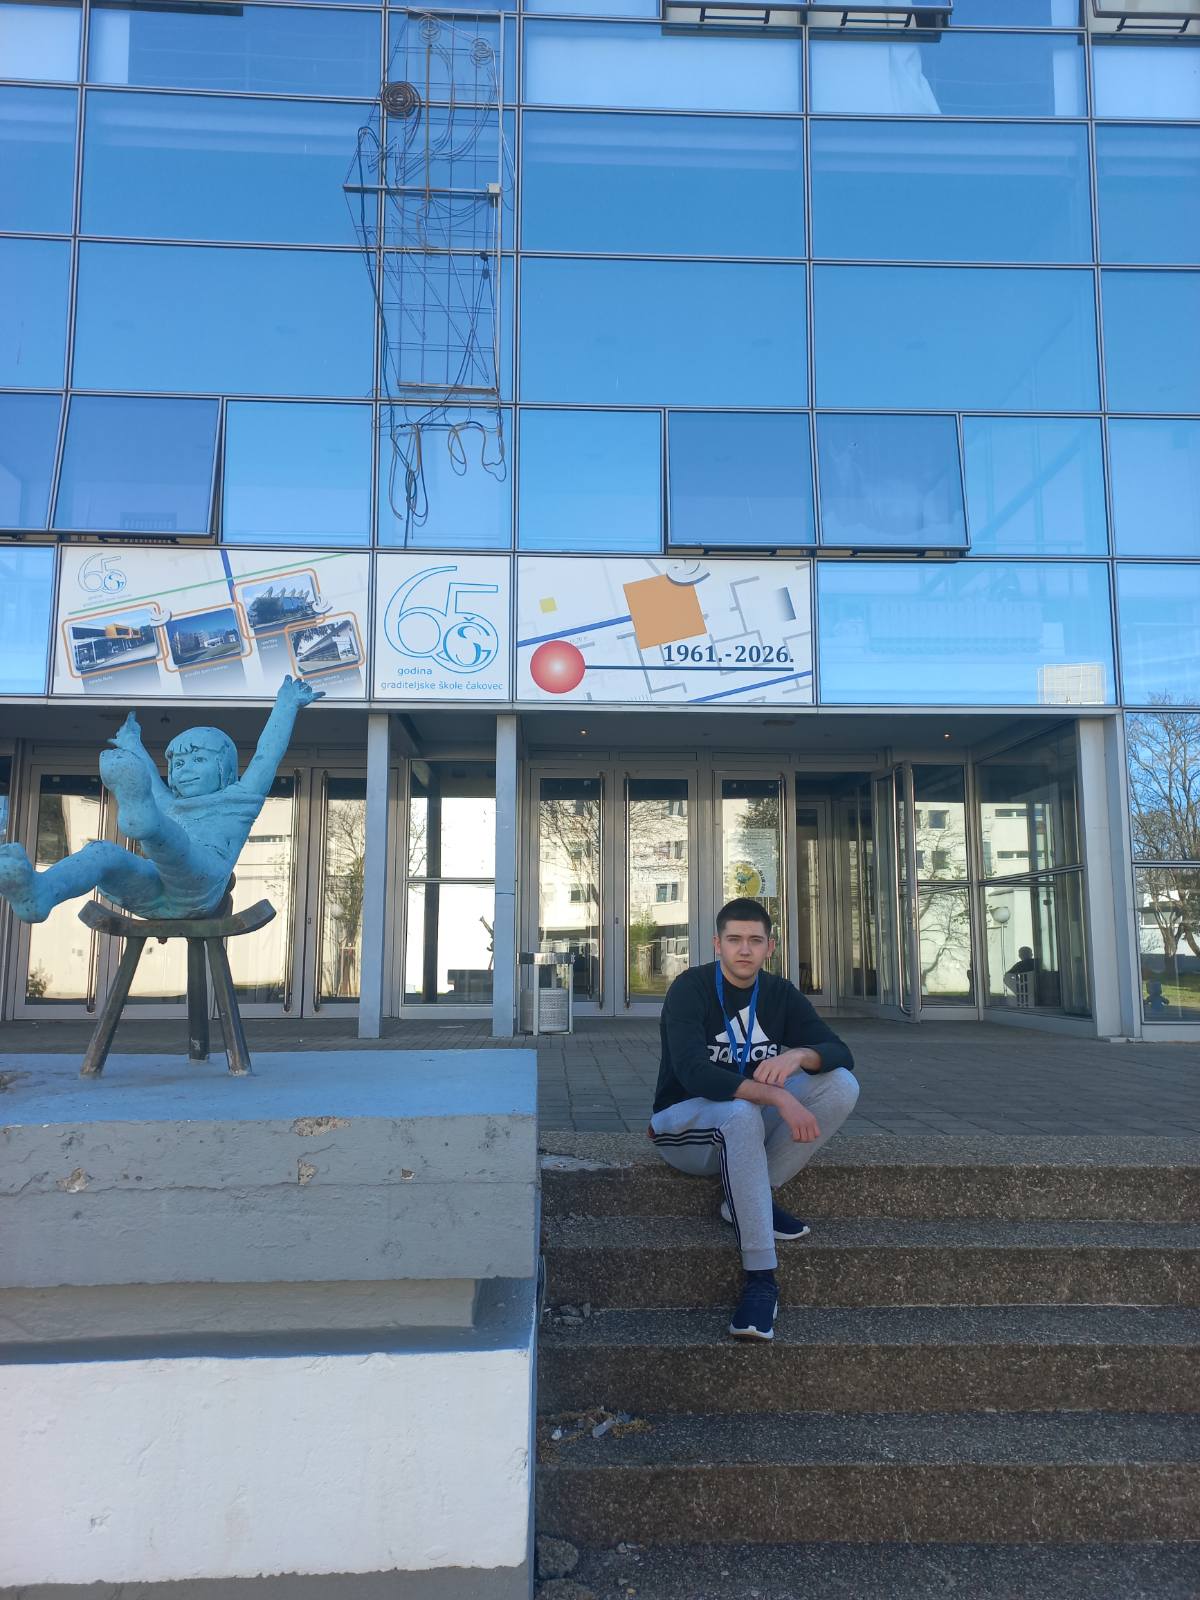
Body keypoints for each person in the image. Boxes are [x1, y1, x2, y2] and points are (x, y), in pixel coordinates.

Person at [649, 897, 859, 1342]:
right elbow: (693, 1072)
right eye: (734, 940)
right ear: (717, 944)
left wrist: (799, 1055)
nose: (744, 950)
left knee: (840, 1084)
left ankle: (747, 1199)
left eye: (755, 940)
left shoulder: (779, 993)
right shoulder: (690, 989)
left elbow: (840, 1052)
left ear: (770, 947)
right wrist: (778, 1097)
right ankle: (762, 1281)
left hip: (744, 1123)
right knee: (743, 1110)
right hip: (685, 1128)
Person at [0, 675, 322, 924]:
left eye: (198, 760)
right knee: (102, 852)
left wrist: (286, 704)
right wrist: (132, 742)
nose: (184, 769)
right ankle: (39, 894)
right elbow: (149, 778)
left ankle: (144, 822)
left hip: (201, 887)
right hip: (154, 894)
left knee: (175, 838)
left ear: (225, 769)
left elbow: (267, 754)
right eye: (178, 764)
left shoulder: (239, 799)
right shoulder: (171, 803)